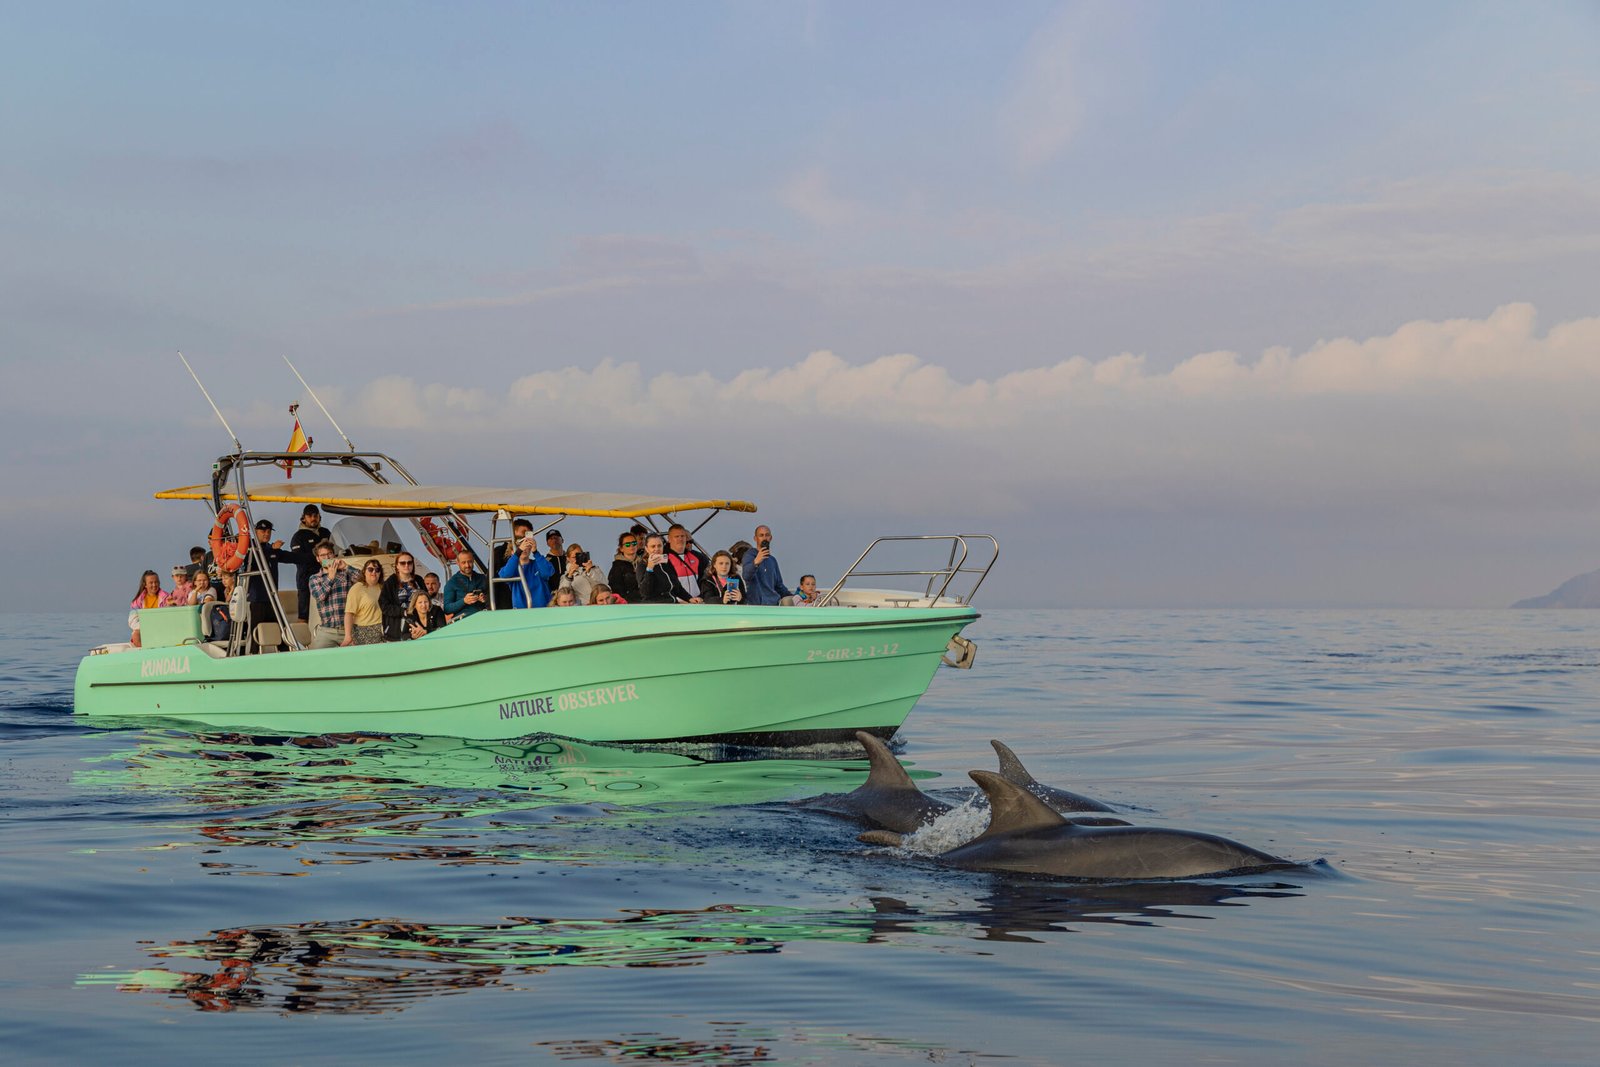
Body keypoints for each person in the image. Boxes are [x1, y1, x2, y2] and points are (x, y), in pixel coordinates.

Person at [244, 519, 293, 652]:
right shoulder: (250, 548)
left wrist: (316, 556)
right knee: (254, 632)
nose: (266, 533)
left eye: (269, 531)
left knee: (282, 630)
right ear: (255, 532)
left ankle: (286, 657)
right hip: (256, 600)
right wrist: (272, 549)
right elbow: (253, 559)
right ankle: (251, 657)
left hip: (272, 598)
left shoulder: (271, 549)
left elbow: (292, 557)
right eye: (263, 531)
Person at [307, 543, 356, 649]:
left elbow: (365, 580)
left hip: (347, 629)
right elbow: (320, 597)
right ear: (318, 559)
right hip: (326, 630)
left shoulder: (345, 573)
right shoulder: (314, 578)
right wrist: (330, 577)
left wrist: (346, 567)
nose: (327, 557)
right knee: (318, 659)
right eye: (323, 555)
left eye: (329, 554)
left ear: (334, 555)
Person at [289, 505, 332, 623]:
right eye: (309, 516)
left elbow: (336, 550)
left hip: (327, 579)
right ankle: (303, 641)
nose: (313, 518)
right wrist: (318, 556)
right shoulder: (298, 536)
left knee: (327, 611)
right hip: (306, 581)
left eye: (316, 515)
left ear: (319, 517)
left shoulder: (325, 532)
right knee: (304, 615)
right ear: (303, 518)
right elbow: (298, 558)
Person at [499, 526, 556, 608]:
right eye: (519, 547)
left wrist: (536, 552)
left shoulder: (538, 564)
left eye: (526, 546)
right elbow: (505, 575)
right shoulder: (512, 569)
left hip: (543, 610)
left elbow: (548, 572)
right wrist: (517, 553)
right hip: (522, 612)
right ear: (512, 552)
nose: (524, 549)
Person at [657, 523, 711, 604]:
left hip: (697, 602)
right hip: (676, 604)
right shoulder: (663, 558)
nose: (680, 539)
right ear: (669, 539)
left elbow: (708, 579)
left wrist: (702, 596)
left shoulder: (698, 557)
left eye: (682, 536)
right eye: (676, 536)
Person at [740, 524, 792, 606]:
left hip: (773, 605)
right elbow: (746, 576)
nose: (764, 538)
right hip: (756, 606)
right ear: (755, 538)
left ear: (770, 538)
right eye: (761, 535)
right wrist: (756, 562)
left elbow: (779, 586)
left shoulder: (772, 560)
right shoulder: (749, 555)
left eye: (767, 535)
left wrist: (795, 597)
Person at [379, 552, 426, 641]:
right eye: (402, 563)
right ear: (397, 566)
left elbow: (427, 599)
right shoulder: (391, 582)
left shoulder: (419, 580)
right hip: (397, 625)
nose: (406, 565)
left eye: (409, 562)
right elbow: (384, 605)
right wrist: (403, 611)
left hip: (419, 623)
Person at [344, 561, 386, 645]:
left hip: (384, 630)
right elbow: (349, 613)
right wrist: (348, 636)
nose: (374, 572)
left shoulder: (384, 587)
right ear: (364, 572)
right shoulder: (357, 588)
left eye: (377, 570)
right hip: (364, 631)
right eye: (370, 569)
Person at [442, 548, 489, 621]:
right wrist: (464, 601)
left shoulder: (482, 578)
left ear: (473, 561)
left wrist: (485, 598)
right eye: (463, 562)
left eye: (469, 562)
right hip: (463, 621)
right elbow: (447, 609)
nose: (467, 565)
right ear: (457, 563)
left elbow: (495, 598)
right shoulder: (452, 583)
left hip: (484, 617)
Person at [128, 570, 169, 647]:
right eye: (151, 582)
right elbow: (132, 620)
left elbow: (168, 617)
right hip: (144, 630)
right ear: (145, 585)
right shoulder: (137, 601)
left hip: (161, 629)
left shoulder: (166, 598)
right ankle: (144, 654)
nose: (154, 585)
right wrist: (147, 626)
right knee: (135, 635)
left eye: (156, 582)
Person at [190, 568, 227, 642]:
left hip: (210, 622)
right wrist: (196, 591)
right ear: (194, 582)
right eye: (199, 580)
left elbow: (207, 601)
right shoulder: (192, 592)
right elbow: (191, 603)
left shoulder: (211, 590)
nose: (202, 583)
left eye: (204, 580)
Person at [636, 533, 674, 603]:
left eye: (659, 546)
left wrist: (689, 598)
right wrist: (649, 568)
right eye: (653, 546)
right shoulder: (642, 565)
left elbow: (677, 585)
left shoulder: (666, 562)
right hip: (653, 606)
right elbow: (645, 592)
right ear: (646, 549)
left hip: (670, 603)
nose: (657, 549)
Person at [608, 530, 643, 603]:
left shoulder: (644, 563)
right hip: (628, 605)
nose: (631, 546)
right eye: (627, 544)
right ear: (621, 548)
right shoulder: (617, 567)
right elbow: (616, 591)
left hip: (647, 602)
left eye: (634, 543)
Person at [543, 529, 565, 596]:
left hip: (570, 597)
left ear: (562, 540)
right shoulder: (545, 561)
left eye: (556, 537)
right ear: (547, 543)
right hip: (552, 598)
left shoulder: (570, 558)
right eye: (551, 539)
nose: (554, 540)